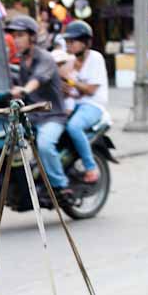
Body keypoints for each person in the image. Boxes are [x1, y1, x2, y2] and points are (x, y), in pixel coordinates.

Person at [4, 14, 72, 204]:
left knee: (44, 145)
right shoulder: (22, 60)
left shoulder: (45, 59)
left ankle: (61, 185)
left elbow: (38, 79)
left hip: (52, 115)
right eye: (14, 36)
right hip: (32, 116)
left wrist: (25, 89)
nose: (16, 40)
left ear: (32, 37)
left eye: (20, 36)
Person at [62, 20, 110, 184]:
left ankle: (91, 167)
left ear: (86, 42)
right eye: (68, 41)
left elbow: (91, 90)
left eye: (73, 41)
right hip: (74, 105)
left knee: (73, 126)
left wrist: (71, 82)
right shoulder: (70, 62)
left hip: (93, 106)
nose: (69, 45)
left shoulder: (96, 58)